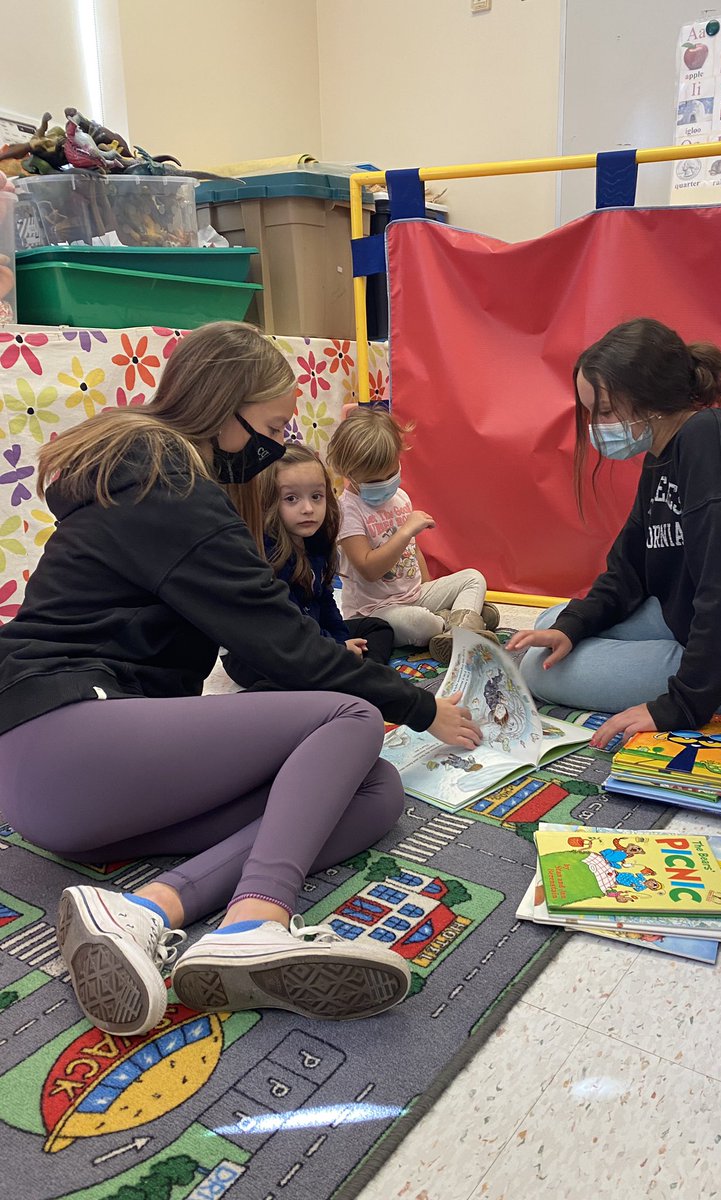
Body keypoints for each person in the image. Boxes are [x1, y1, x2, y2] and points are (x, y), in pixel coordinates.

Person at [0, 321, 481, 1037]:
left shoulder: (155, 481)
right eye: (270, 425)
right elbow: (283, 647)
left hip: (68, 797)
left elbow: (255, 652)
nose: (273, 443)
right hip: (63, 733)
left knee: (371, 790)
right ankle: (256, 921)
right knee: (346, 719)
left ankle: (144, 910)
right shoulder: (168, 482)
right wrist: (418, 706)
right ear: (224, 407)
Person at [508, 317, 721, 749]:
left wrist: (676, 705)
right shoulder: (664, 451)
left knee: (538, 670)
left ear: (648, 398)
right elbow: (629, 570)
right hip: (688, 617)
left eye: (606, 412)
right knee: (551, 625)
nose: (598, 426)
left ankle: (695, 682)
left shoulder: (710, 443)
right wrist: (574, 626)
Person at [327, 407, 500, 664]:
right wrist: (406, 529)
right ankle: (463, 622)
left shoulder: (400, 498)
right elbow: (368, 568)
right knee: (421, 623)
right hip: (375, 610)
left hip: (414, 595)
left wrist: (428, 588)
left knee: (473, 578)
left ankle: (458, 624)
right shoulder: (348, 510)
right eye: (375, 481)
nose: (386, 483)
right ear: (348, 473)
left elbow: (413, 550)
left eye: (391, 473)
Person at [223, 443, 395, 689]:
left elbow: (324, 599)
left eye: (316, 497)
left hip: (309, 634)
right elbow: (287, 628)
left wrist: (341, 643)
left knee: (377, 627)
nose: (308, 509)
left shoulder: (315, 541)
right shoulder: (269, 554)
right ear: (270, 502)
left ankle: (359, 675)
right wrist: (336, 650)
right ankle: (348, 678)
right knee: (288, 678)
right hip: (261, 650)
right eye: (291, 499)